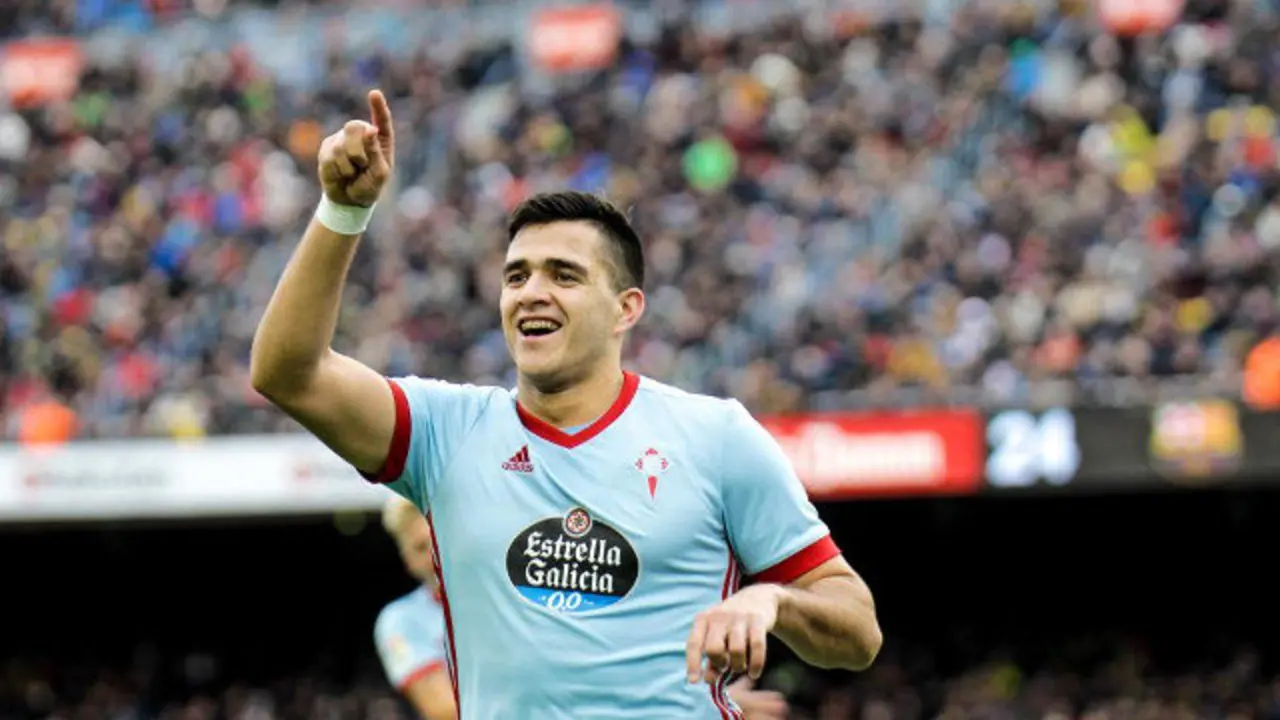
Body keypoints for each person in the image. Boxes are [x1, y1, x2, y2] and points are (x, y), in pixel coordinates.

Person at [251, 89, 882, 718]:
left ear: (626, 309)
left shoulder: (716, 438)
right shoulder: (443, 433)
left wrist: (774, 601)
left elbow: (858, 632)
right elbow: (288, 373)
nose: (531, 292)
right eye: (517, 275)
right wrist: (343, 211)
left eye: (564, 274)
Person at [376, 497, 792, 720]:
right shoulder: (404, 621)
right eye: (420, 547)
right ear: (405, 559)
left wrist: (697, 704)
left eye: (440, 537)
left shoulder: (523, 590)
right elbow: (446, 711)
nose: (434, 554)